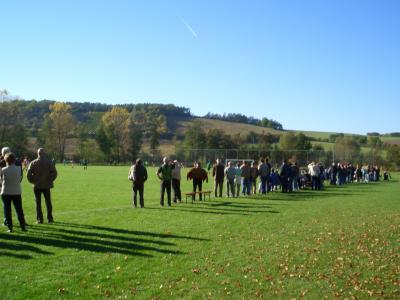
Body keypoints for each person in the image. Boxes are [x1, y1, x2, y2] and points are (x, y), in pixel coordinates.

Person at [27, 148, 58, 224]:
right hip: (47, 185)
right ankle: (50, 219)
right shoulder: (49, 162)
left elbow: (28, 174)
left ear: (37, 154)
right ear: (44, 154)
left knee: (38, 203)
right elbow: (55, 173)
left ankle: (40, 220)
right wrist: (51, 180)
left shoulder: (33, 163)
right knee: (48, 202)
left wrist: (32, 181)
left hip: (37, 185)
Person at [0, 153, 27, 232]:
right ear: (14, 160)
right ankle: (23, 227)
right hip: (16, 191)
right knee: (19, 210)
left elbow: (1, 182)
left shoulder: (3, 170)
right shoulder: (19, 168)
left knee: (7, 211)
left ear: (5, 160)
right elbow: (19, 179)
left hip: (6, 192)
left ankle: (10, 228)